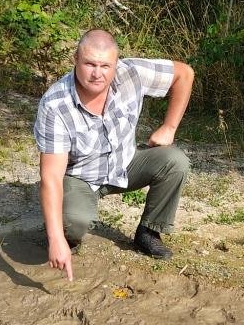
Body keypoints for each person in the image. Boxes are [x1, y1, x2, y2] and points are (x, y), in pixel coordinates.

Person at [34, 29, 195, 281]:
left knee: (175, 161)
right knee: (74, 222)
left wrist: (169, 127)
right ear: (75, 59)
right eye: (89, 64)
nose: (97, 73)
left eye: (105, 65)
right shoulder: (55, 104)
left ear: (116, 64)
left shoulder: (131, 73)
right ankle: (66, 233)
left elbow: (184, 74)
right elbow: (51, 176)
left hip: (124, 165)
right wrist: (55, 240)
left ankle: (148, 232)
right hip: (79, 177)